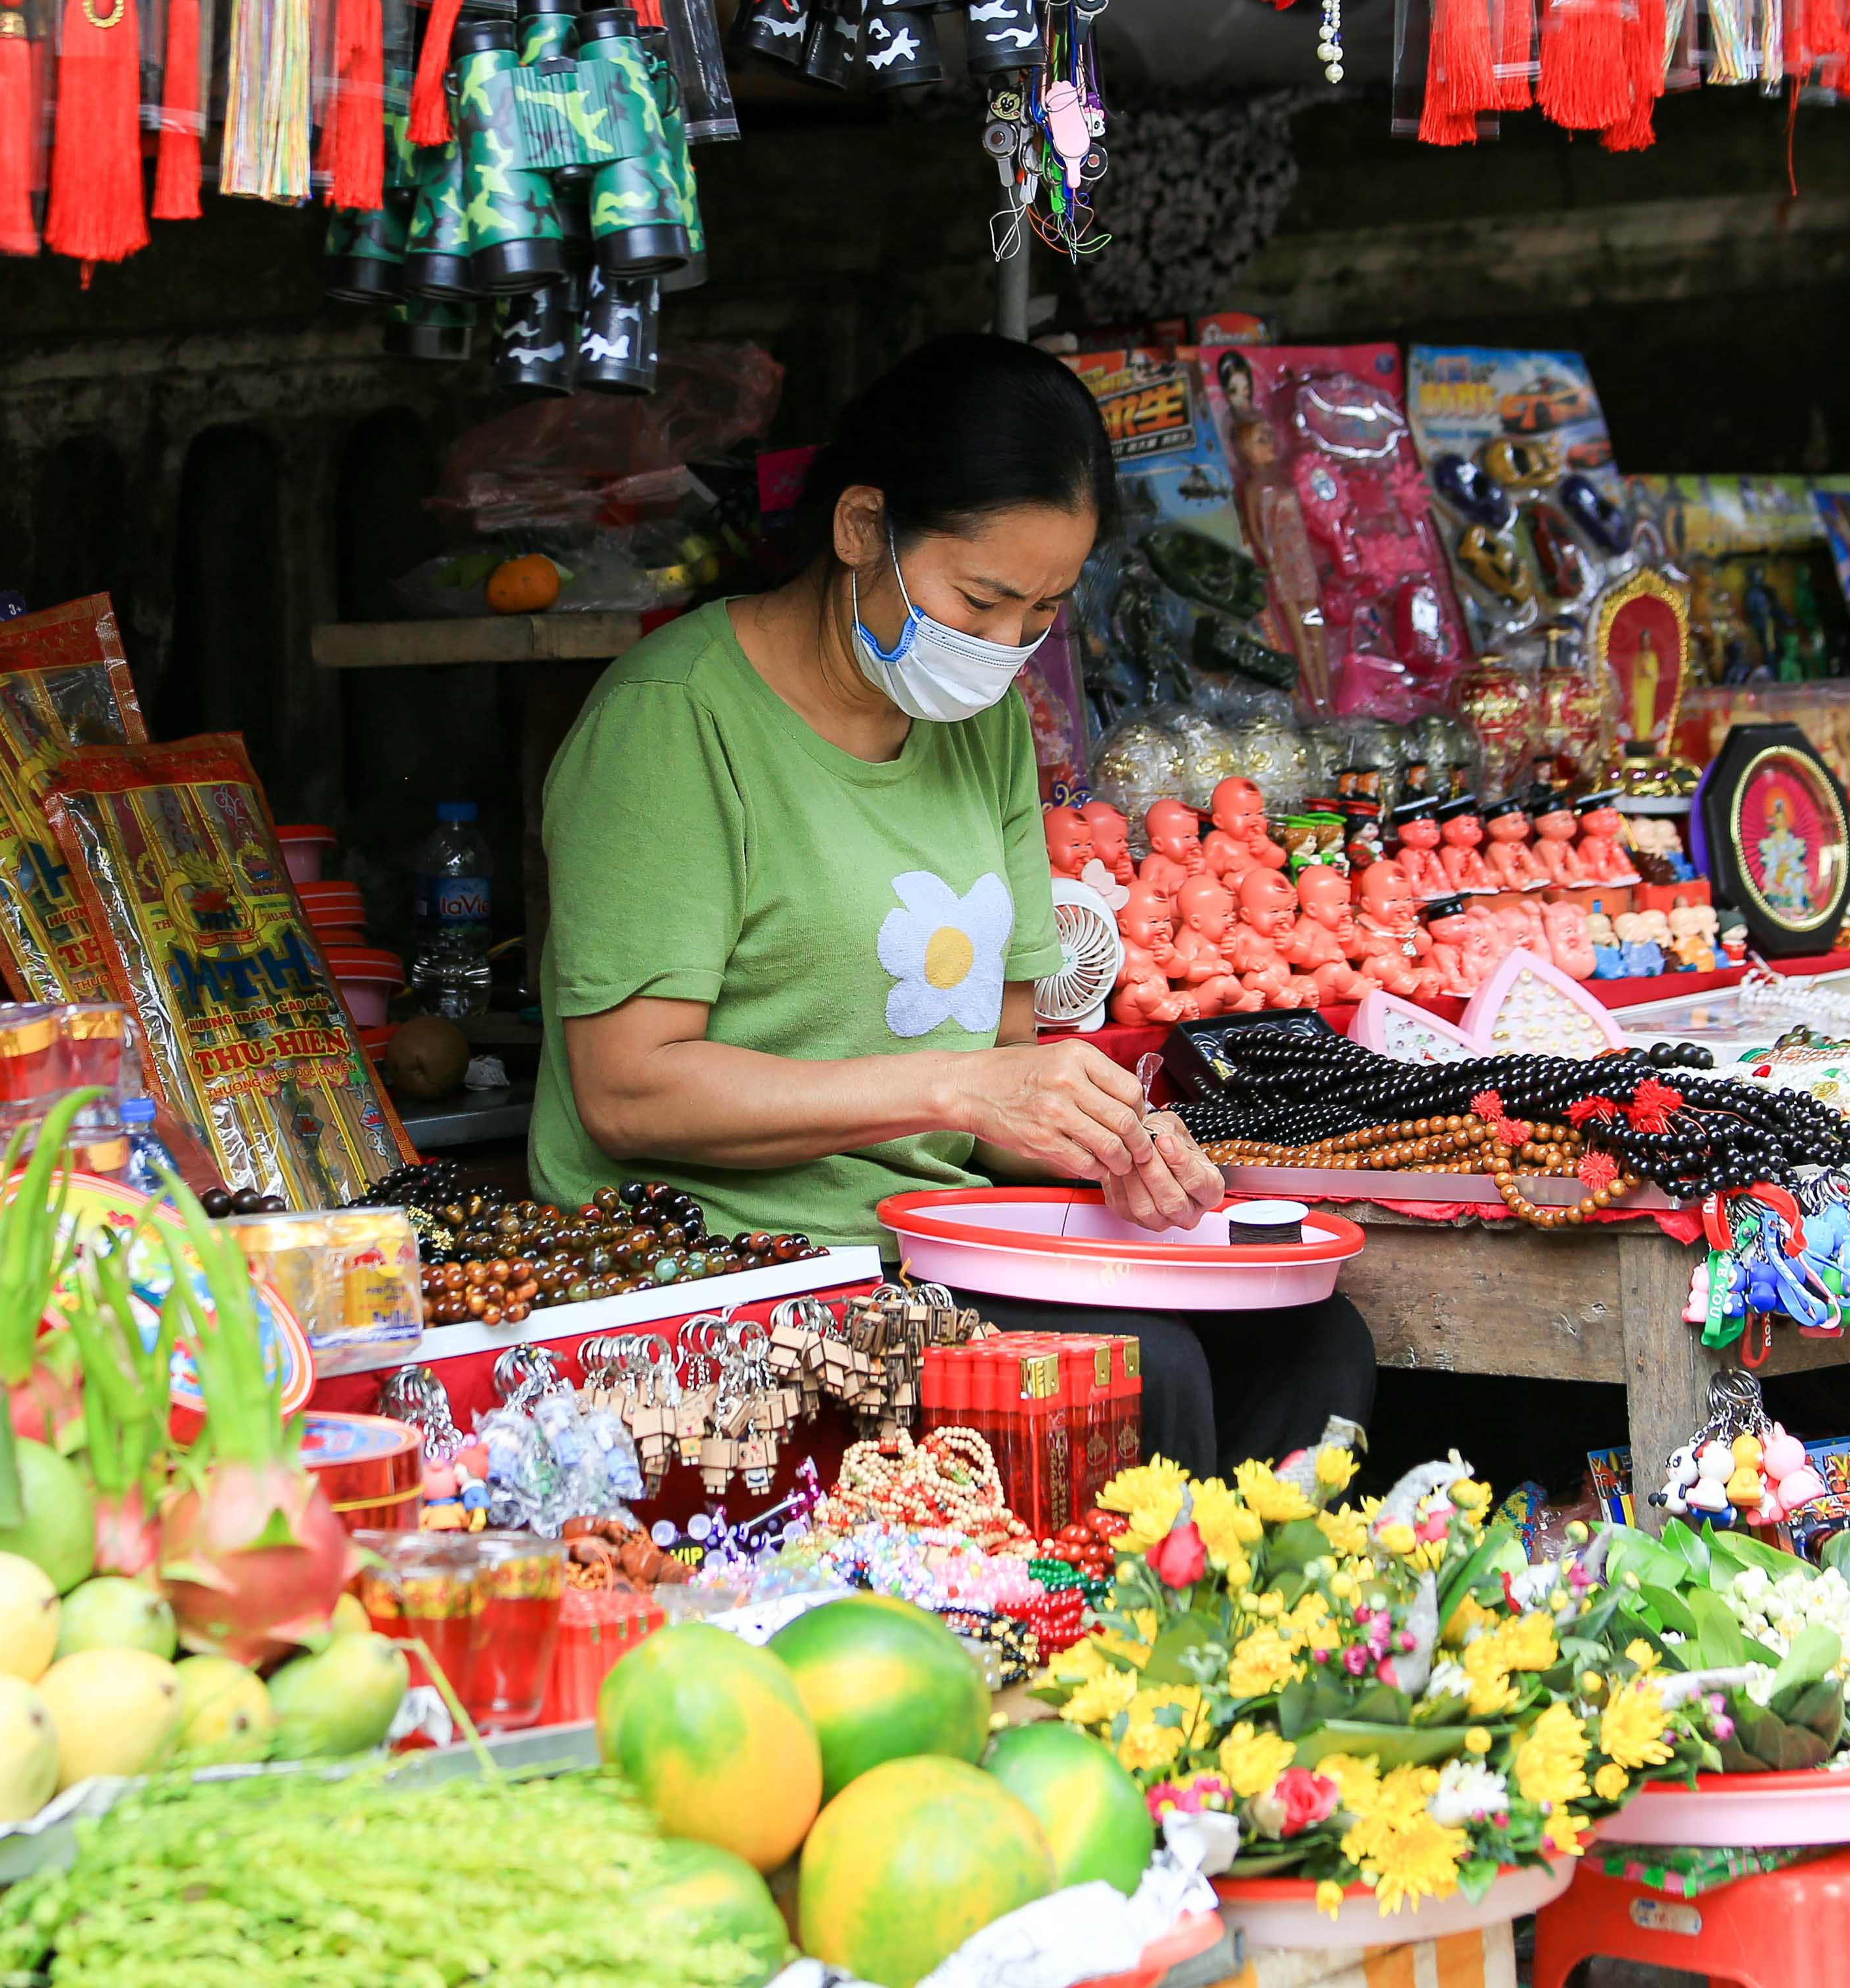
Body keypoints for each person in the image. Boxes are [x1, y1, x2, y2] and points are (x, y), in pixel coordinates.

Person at [530, 333, 1375, 1473]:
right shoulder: (674, 723)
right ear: (858, 528)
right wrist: (952, 1083)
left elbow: (1003, 1071)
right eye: (979, 599)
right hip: (728, 1266)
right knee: (1143, 1370)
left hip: (937, 1244)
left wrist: (1112, 1143)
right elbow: (627, 1092)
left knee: (1311, 1343)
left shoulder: (977, 731)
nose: (1002, 648)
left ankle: (1277, 1642)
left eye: (1041, 612)